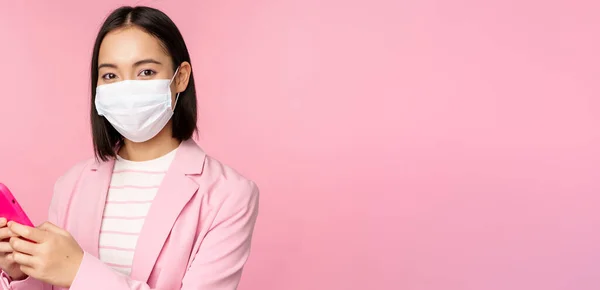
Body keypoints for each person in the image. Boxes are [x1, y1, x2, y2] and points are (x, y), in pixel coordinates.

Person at [0, 6, 259, 290]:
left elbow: (72, 274)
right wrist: (22, 272)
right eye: (110, 76)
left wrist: (78, 271)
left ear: (181, 77)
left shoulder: (230, 195)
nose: (127, 90)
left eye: (146, 71)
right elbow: (55, 283)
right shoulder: (71, 184)